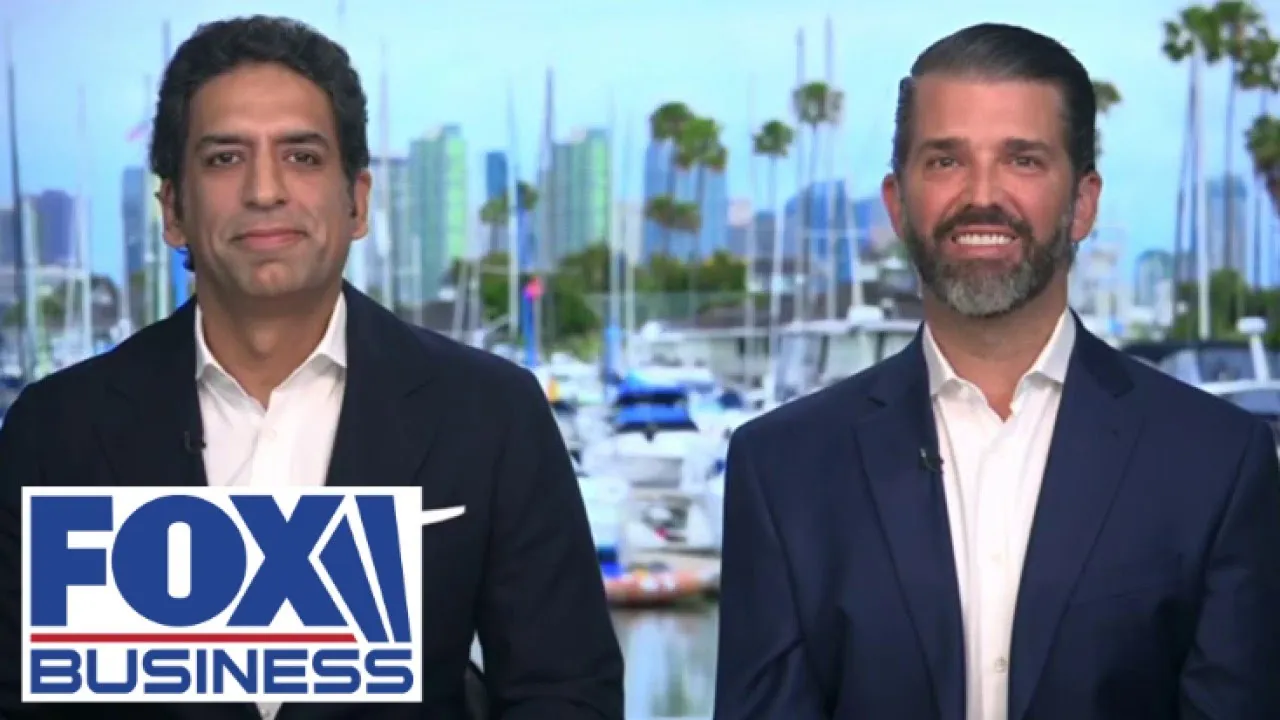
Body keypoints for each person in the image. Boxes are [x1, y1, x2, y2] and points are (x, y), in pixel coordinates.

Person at [0, 16, 622, 720]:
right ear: (173, 209)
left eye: (301, 156)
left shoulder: (490, 413)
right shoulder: (58, 430)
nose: (265, 190)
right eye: (225, 158)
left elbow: (565, 692)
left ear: (357, 201)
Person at [714, 22, 1280, 720]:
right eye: (945, 161)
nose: (982, 196)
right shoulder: (783, 469)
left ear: (1083, 203)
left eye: (1023, 160)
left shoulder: (1216, 463)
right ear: (897, 203)